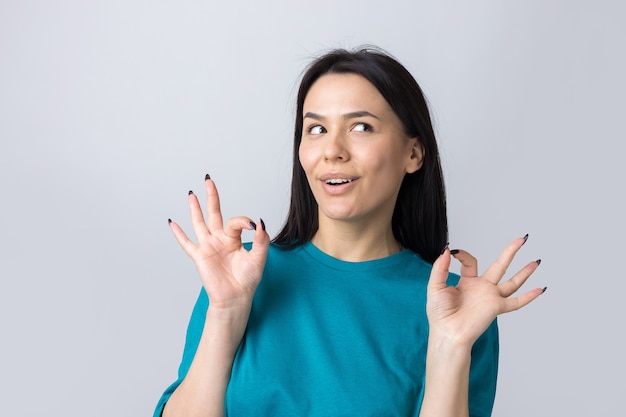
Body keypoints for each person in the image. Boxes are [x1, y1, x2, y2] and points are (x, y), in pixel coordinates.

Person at [154, 47, 545, 417]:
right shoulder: (240, 276)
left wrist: (450, 345)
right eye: (316, 129)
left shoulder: (456, 307)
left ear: (413, 153)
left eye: (361, 127)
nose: (333, 151)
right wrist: (225, 312)